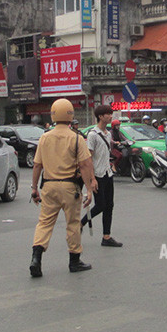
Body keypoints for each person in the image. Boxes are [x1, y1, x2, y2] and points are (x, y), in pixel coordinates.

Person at [28, 98, 97, 278]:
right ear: (70, 115)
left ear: (53, 115)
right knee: (72, 224)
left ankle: (36, 258)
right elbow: (85, 165)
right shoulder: (76, 138)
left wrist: (34, 188)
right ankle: (74, 261)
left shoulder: (44, 137)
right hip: (70, 187)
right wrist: (89, 189)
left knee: (44, 223)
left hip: (49, 186)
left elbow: (37, 165)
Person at [80, 104, 122, 247]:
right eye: (108, 114)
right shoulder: (93, 135)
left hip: (108, 173)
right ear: (100, 116)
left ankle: (106, 236)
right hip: (97, 175)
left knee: (109, 206)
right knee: (100, 205)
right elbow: (88, 159)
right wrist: (92, 179)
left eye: (111, 114)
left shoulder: (108, 133)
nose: (110, 116)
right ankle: (81, 223)